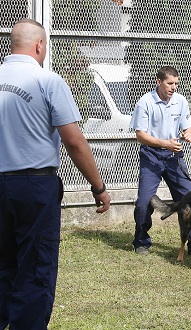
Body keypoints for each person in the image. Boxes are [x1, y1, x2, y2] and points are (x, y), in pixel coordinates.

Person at [0, 19, 111, 329]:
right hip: (34, 186)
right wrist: (98, 186)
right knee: (35, 267)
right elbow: (74, 142)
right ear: (40, 46)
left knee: (3, 264)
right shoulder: (47, 81)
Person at [130, 66, 191, 257]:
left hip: (174, 158)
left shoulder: (180, 101)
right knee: (144, 202)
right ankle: (141, 242)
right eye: (170, 83)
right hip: (151, 156)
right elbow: (140, 135)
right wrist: (164, 144)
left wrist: (188, 133)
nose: (173, 87)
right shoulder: (145, 102)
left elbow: (188, 127)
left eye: (176, 83)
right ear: (159, 82)